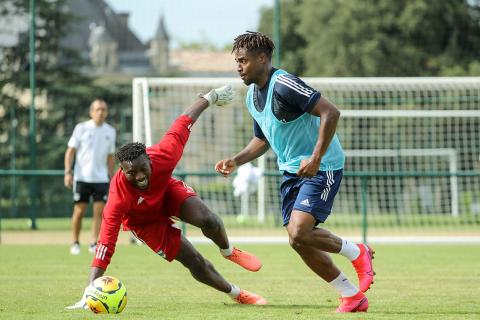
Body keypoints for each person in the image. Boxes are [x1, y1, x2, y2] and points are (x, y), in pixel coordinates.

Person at [66, 85, 267, 310]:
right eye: (131, 173)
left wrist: (210, 97)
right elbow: (105, 243)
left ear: (150, 161)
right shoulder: (118, 196)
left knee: (209, 220)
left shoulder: (165, 154)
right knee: (194, 261)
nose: (139, 177)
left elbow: (183, 122)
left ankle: (229, 251)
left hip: (166, 193)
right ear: (122, 171)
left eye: (143, 169)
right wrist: (89, 291)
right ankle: (237, 293)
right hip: (144, 222)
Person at [215, 31, 375, 313]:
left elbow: (331, 112)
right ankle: (352, 296)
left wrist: (315, 157)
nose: (238, 67)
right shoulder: (252, 96)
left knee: (300, 230)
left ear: (262, 58)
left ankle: (357, 252)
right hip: (291, 172)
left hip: (322, 165)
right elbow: (262, 140)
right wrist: (236, 160)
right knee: (297, 239)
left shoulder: (285, 84)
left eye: (243, 61)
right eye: (237, 61)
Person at [64, 99, 116, 255]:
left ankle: (94, 243)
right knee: (79, 211)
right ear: (91, 112)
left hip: (101, 179)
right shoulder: (81, 128)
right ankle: (75, 242)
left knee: (99, 213)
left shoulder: (110, 131)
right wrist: (68, 172)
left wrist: (112, 177)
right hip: (82, 178)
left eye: (103, 109)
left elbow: (110, 157)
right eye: (98, 109)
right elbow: (70, 151)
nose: (101, 112)